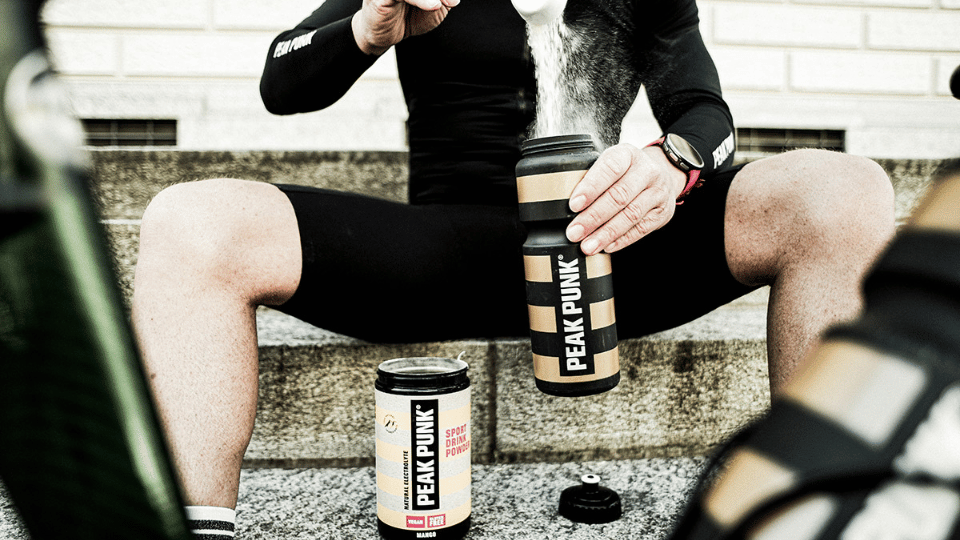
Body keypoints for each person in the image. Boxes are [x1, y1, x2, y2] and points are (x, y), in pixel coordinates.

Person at [130, 0, 894, 534]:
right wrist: (367, 27)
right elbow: (281, 81)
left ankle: (830, 517)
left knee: (844, 189)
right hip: (440, 254)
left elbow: (704, 109)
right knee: (190, 220)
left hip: (598, 254)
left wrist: (673, 165)